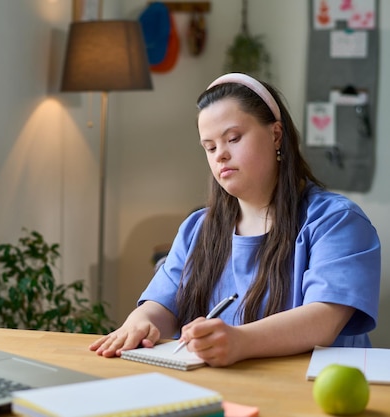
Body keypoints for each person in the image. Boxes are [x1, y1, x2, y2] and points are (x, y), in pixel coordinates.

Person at [90, 73, 381, 367]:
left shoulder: (336, 221)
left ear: (276, 135)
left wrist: (240, 341)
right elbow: (161, 305)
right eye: (210, 147)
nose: (221, 156)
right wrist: (140, 321)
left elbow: (324, 320)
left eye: (233, 139)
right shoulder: (197, 228)